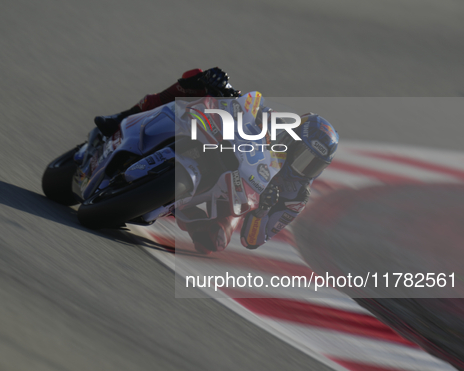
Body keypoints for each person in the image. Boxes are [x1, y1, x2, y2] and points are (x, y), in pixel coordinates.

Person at [93, 68, 339, 253]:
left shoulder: (296, 197)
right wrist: (228, 91)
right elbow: (250, 106)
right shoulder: (274, 123)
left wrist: (263, 209)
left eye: (312, 164)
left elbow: (253, 239)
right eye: (302, 154)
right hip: (227, 151)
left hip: (236, 199)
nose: (302, 167)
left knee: (214, 242)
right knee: (201, 77)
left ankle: (170, 202)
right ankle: (124, 117)